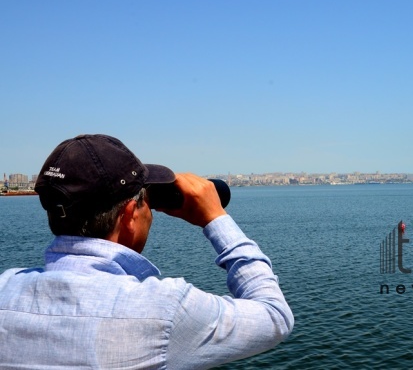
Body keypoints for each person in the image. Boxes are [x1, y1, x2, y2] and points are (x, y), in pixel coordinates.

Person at [0, 134, 294, 369]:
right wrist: (215, 219)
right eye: (145, 202)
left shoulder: (5, 288)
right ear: (129, 214)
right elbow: (275, 316)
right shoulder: (163, 310)